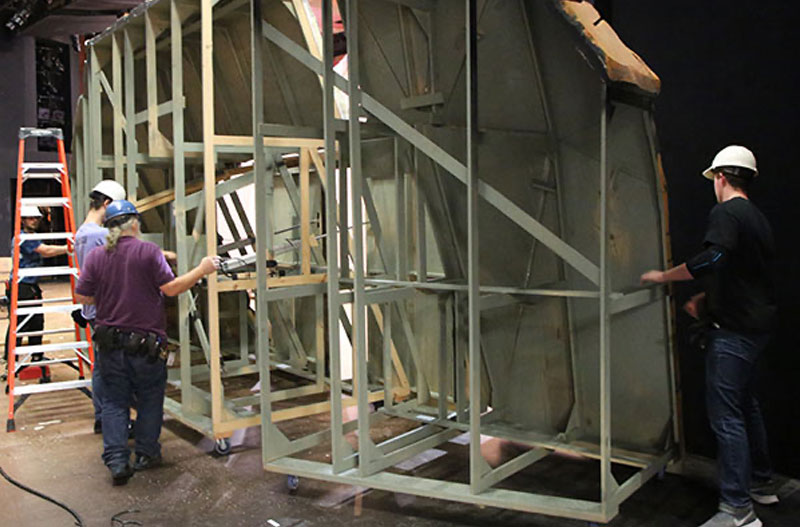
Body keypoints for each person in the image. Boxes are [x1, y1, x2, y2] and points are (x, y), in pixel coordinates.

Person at [641, 145, 777, 527]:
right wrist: (707, 297)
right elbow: (748, 274)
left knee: (727, 418)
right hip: (756, 329)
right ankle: (761, 483)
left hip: (734, 334)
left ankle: (737, 512)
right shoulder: (757, 218)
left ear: (719, 178)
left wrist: (665, 276)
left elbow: (715, 258)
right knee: (747, 407)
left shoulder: (726, 212)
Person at [75, 200, 219, 486]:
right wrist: (202, 269)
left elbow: (82, 298)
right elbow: (171, 288)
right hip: (146, 348)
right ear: (135, 224)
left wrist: (111, 295)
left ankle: (117, 461)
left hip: (109, 346)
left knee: (115, 403)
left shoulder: (96, 256)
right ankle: (146, 454)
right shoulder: (148, 252)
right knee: (150, 400)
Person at [74, 180, 127, 434]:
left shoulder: (81, 233)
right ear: (106, 203)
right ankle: (111, 421)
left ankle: (102, 417)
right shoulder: (99, 235)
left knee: (102, 366)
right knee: (113, 368)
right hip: (107, 311)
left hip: (94, 311)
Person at [4, 205, 70, 383]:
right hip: (22, 286)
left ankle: (35, 357)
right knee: (19, 325)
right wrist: (68, 248)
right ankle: (10, 363)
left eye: (36, 218)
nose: (34, 220)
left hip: (30, 286)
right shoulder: (24, 238)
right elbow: (46, 251)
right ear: (23, 220)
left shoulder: (32, 237)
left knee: (36, 322)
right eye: (30, 218)